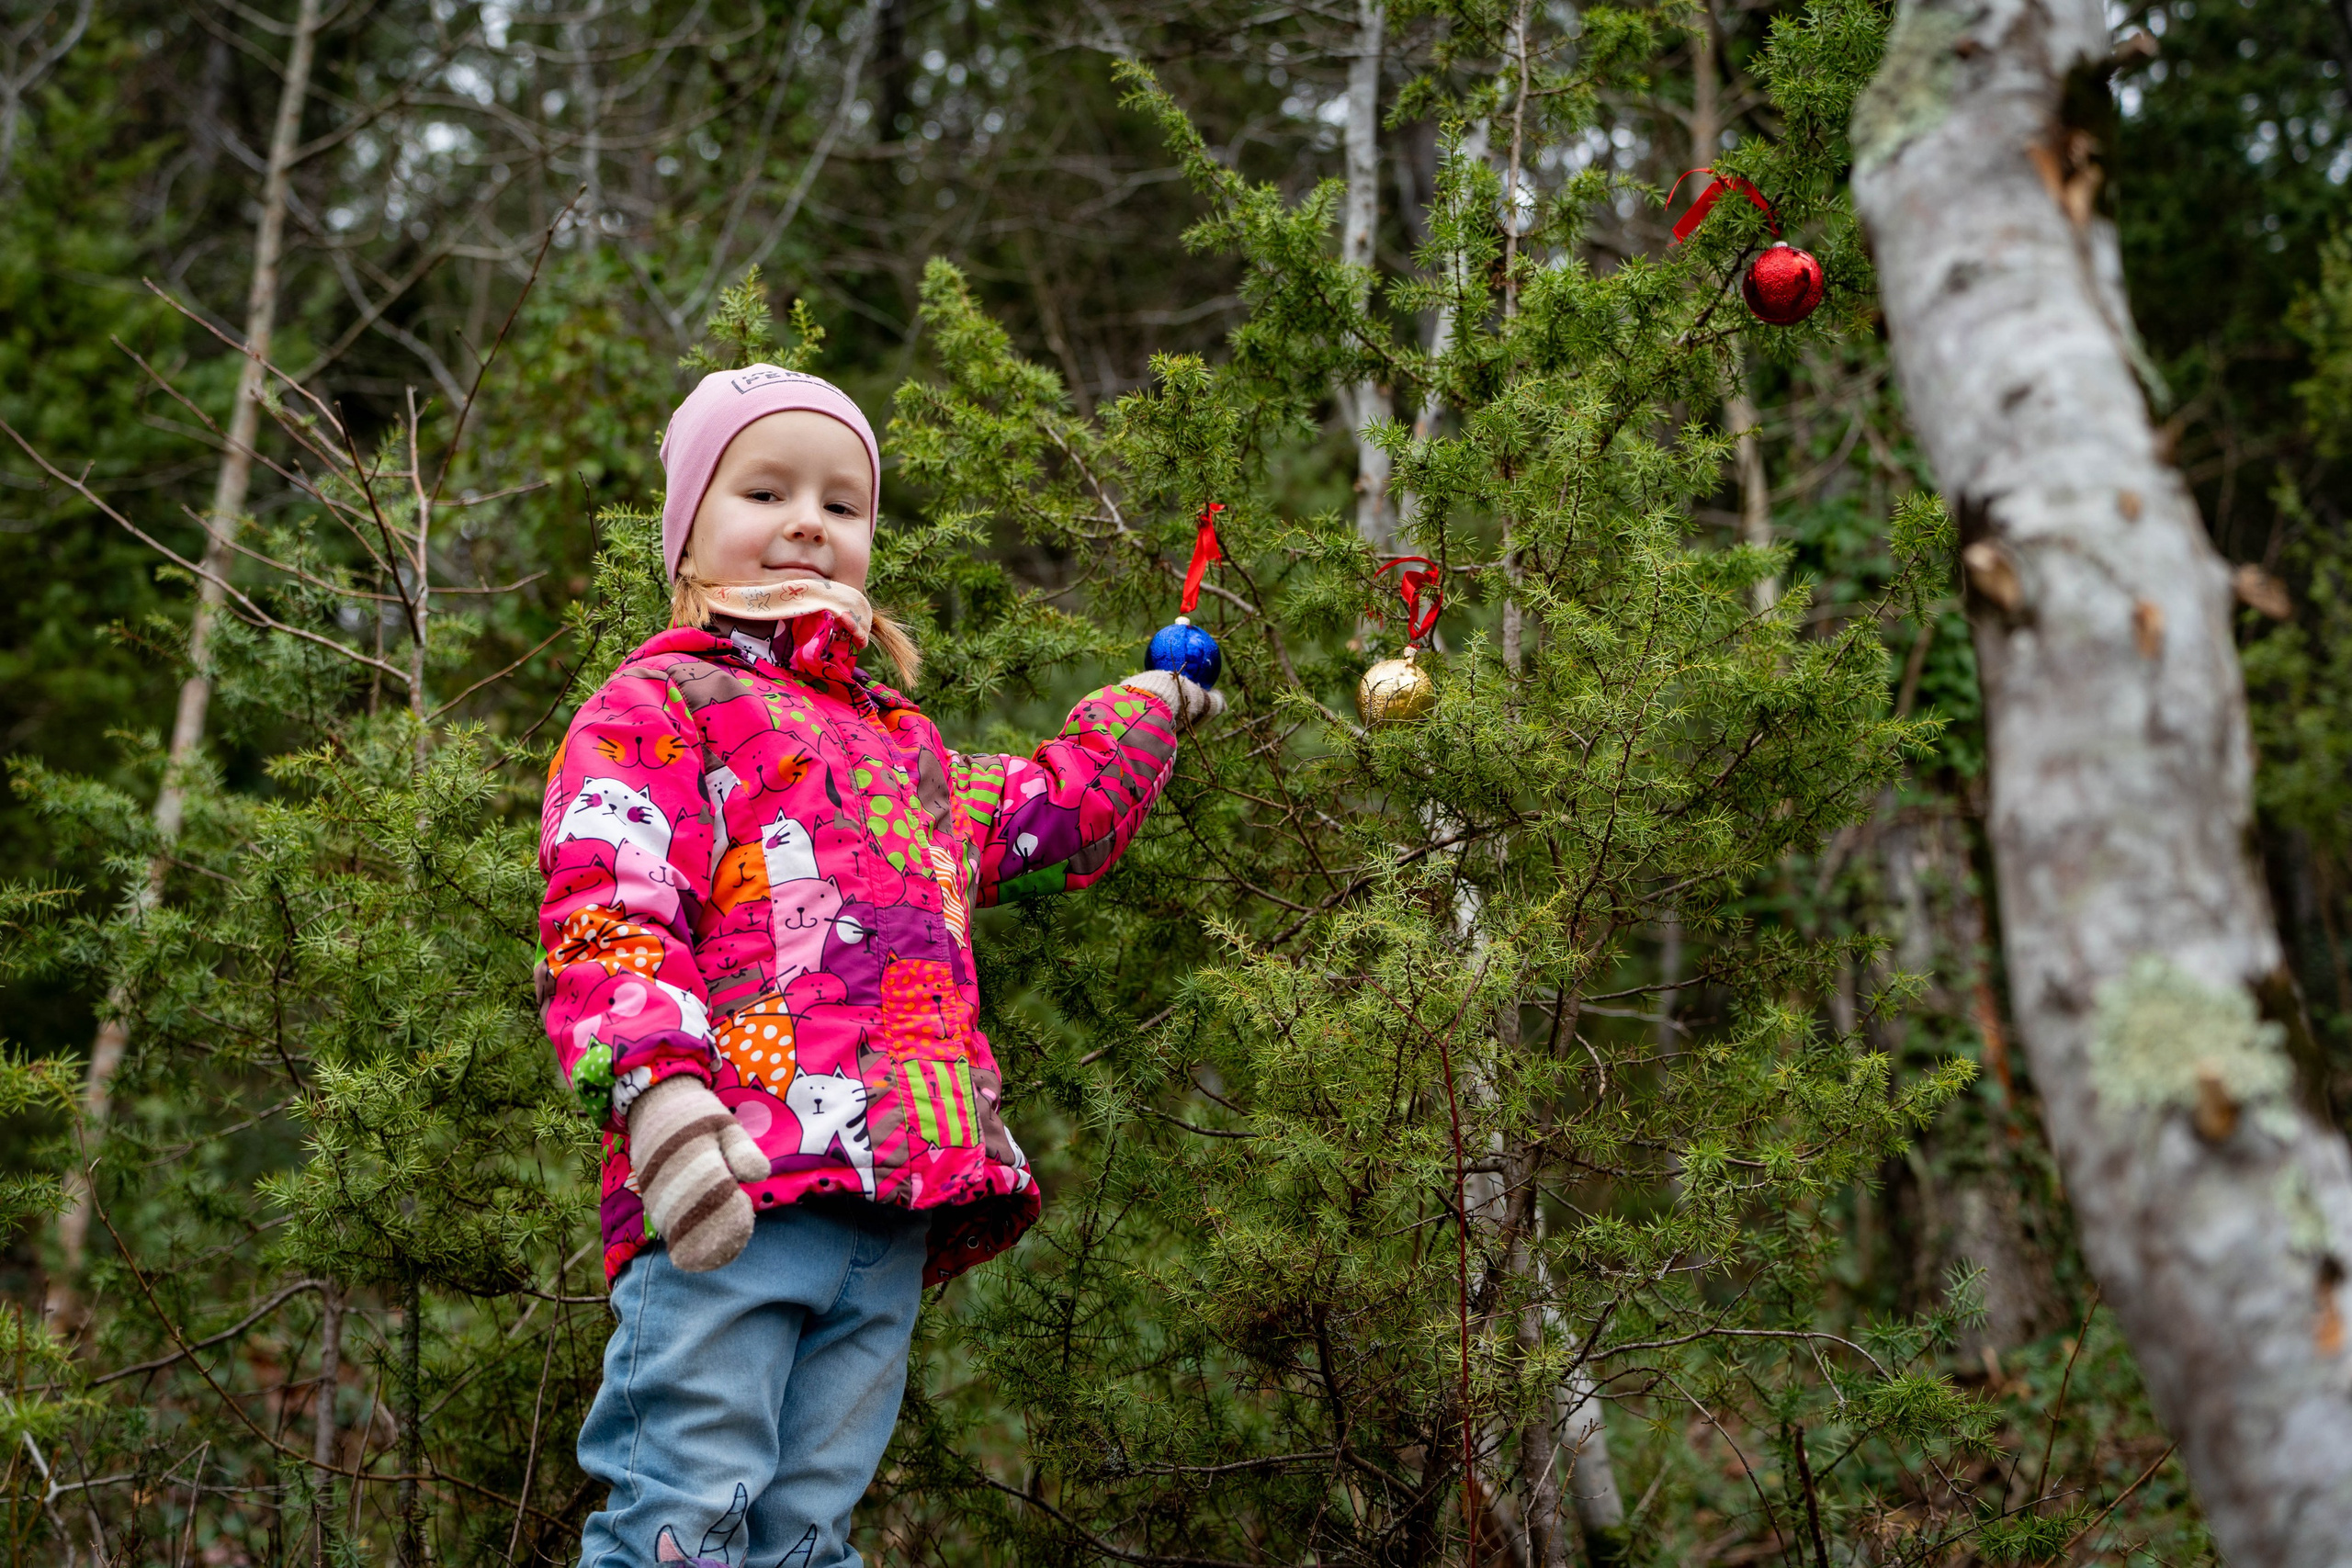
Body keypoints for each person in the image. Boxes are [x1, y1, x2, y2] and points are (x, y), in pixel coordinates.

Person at [537, 366, 1219, 1568]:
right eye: (765, 489)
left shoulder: (900, 748)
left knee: (807, 1532)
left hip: (890, 1209)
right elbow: (607, 906)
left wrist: (1147, 709)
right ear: (689, 533)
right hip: (734, 1196)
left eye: (841, 504)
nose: (808, 519)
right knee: (679, 1521)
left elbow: (1044, 818)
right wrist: (665, 1102)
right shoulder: (660, 705)